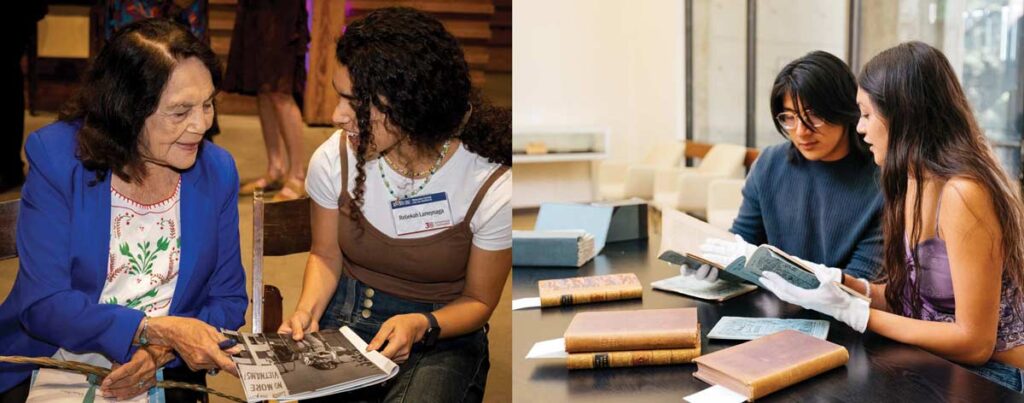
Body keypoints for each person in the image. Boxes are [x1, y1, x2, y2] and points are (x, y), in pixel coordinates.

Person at [0, 19, 246, 402]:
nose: (201, 125)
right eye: (180, 112)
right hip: (56, 358)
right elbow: (43, 305)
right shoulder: (59, 159)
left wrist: (159, 351)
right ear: (126, 110)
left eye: (208, 104)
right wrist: (151, 330)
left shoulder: (216, 170)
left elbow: (228, 300)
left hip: (164, 369)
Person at [759, 41, 1024, 392]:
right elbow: (918, 302)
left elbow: (975, 343)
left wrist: (857, 313)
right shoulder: (910, 180)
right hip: (939, 363)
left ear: (903, 115)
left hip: (997, 378)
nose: (860, 128)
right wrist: (844, 284)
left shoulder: (964, 193)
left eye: (867, 115)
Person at [279, 7, 511, 402]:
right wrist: (307, 309)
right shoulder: (333, 159)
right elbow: (325, 256)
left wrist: (423, 324)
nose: (337, 116)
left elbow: (479, 301)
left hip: (439, 338)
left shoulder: (490, 183)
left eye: (355, 103)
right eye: (338, 96)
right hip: (344, 325)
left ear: (409, 105)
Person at [686, 51, 883, 281]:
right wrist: (715, 264)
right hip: (768, 306)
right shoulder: (770, 164)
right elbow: (743, 241)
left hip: (842, 313)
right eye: (789, 117)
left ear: (845, 110)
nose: (801, 131)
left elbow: (859, 283)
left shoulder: (881, 179)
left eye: (814, 115)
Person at [227, 0, 310, 201]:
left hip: (281, 12)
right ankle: (275, 168)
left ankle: (297, 174)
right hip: (255, 9)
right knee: (262, 89)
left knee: (280, 90)